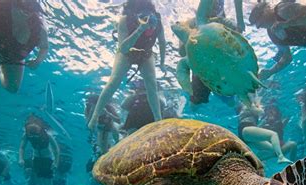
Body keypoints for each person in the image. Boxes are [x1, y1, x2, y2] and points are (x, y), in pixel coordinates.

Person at [88, 0, 166, 130]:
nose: (149, 23)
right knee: (114, 81)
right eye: (143, 18)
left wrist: (162, 63)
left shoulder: (157, 22)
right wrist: (140, 30)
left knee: (151, 84)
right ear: (136, 17)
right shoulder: (125, 21)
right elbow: (123, 48)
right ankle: (95, 115)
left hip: (146, 54)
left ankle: (158, 119)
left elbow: (162, 42)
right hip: (126, 53)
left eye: (150, 19)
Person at [178, 0, 244, 105]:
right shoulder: (190, 24)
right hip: (201, 72)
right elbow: (181, 52)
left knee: (232, 101)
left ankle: (245, 114)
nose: (214, 6)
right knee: (195, 103)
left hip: (223, 70)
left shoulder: (225, 22)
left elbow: (239, 47)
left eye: (218, 3)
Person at [0, 0, 49, 93]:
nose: (29, 12)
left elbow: (44, 47)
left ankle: (0, 70)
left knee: (12, 89)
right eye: (26, 6)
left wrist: (37, 61)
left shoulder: (38, 27)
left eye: (33, 9)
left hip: (14, 57)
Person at [18, 114, 59, 185]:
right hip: (36, 157)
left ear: (40, 128)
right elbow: (22, 147)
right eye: (31, 131)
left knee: (48, 179)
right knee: (40, 177)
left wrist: (56, 162)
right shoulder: (26, 134)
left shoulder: (48, 135)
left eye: (35, 130)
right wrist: (21, 159)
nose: (33, 133)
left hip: (47, 158)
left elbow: (56, 149)